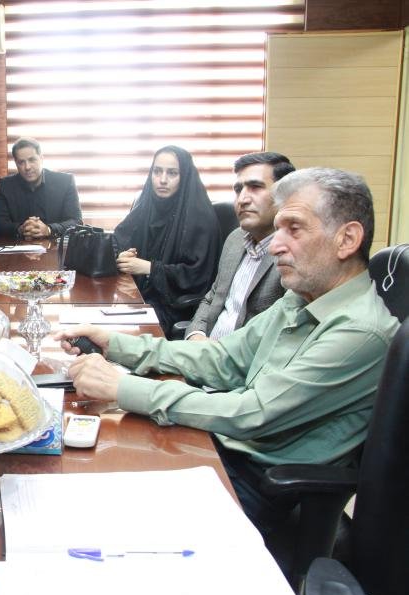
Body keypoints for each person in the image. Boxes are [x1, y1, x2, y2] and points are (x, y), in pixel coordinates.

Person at [56, 167, 399, 540]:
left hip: (260, 487)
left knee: (98, 511)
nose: (275, 245)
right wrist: (116, 344)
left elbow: (252, 413)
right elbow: (222, 358)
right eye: (278, 229)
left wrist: (122, 387)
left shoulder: (360, 331)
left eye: (294, 229)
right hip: (227, 449)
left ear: (347, 239)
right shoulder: (301, 298)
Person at [113, 146, 222, 336]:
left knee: (123, 338)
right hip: (138, 295)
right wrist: (122, 255)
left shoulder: (200, 218)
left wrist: (150, 268)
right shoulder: (146, 205)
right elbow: (119, 238)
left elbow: (198, 276)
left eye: (172, 173)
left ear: (185, 176)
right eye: (157, 171)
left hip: (175, 307)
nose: (162, 179)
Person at [185, 152, 295, 340]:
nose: (242, 199)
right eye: (238, 190)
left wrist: (217, 352)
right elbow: (212, 297)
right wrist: (196, 335)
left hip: (242, 356)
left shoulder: (294, 251)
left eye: (256, 187)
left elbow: (285, 334)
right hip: (204, 348)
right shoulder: (235, 239)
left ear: (284, 196)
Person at [0, 137, 82, 240]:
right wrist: (20, 229)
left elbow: (76, 221)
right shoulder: (6, 185)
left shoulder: (65, 182)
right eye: (21, 162)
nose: (27, 167)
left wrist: (49, 229)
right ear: (16, 163)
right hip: (19, 247)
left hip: (54, 246)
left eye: (32, 160)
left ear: (41, 158)